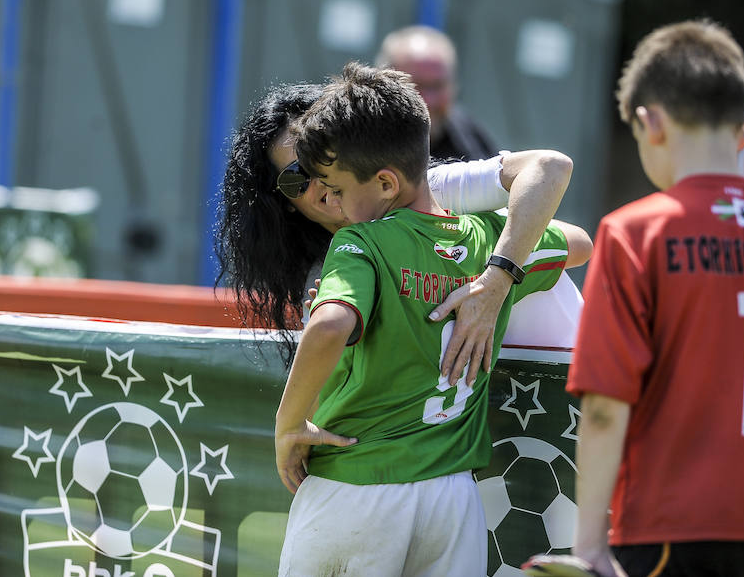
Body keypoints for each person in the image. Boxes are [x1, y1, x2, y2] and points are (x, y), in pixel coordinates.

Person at [525, 20, 744, 577]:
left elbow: (607, 406)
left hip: (666, 521)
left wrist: (588, 546)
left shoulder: (633, 233)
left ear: (648, 122)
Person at [274, 62, 585, 577]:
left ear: (385, 182)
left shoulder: (360, 242)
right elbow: (579, 244)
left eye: (335, 186)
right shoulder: (488, 240)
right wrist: (497, 271)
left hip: (354, 486)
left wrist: (288, 426)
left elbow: (329, 326)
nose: (329, 200)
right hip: (451, 499)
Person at [215, 83, 590, 385]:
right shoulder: (325, 270)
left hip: (566, 377)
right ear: (281, 202)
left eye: (324, 160)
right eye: (297, 176)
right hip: (482, 411)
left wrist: (493, 282)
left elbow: (573, 235)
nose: (322, 182)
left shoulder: (427, 191)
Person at [376, 25, 498, 161]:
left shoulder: (471, 142)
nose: (428, 100)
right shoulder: (360, 141)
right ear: (383, 85)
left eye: (438, 86)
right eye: (416, 86)